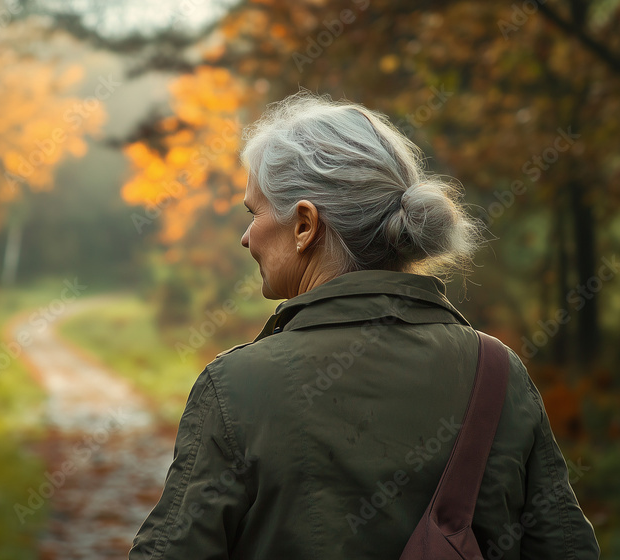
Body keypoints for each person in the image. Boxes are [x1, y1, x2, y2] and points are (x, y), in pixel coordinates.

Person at [128, 92, 600, 559]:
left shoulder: (234, 389)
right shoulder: (498, 372)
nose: (245, 236)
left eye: (254, 212)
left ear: (304, 224)